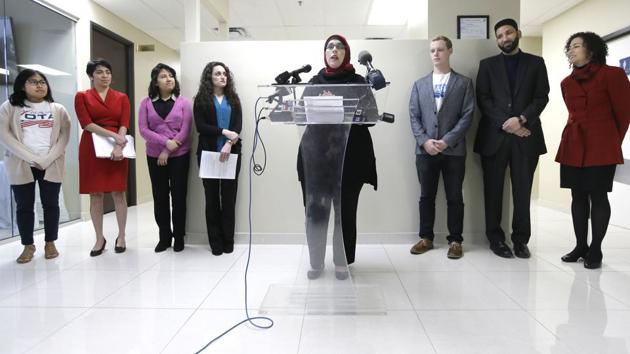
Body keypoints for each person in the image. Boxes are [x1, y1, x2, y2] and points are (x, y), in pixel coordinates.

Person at [297, 34, 378, 280]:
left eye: (340, 47)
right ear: (325, 53)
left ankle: (342, 261)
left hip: (350, 159)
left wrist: (340, 105)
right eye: (330, 47)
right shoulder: (314, 81)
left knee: (345, 213)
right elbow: (301, 114)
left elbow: (372, 115)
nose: (334, 50)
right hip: (316, 159)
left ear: (346, 53)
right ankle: (316, 263)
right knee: (316, 212)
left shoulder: (358, 81)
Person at [474, 18, 549, 259]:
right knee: (493, 191)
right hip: (494, 138)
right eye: (499, 36)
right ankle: (495, 239)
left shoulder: (536, 63)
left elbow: (541, 97)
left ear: (518, 33)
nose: (504, 38)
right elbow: (483, 99)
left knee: (522, 192)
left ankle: (520, 240)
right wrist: (510, 124)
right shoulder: (486, 65)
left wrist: (522, 120)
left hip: (527, 138)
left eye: (508, 33)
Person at [556, 32, 630, 269]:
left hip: (602, 145)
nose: (571, 50)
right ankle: (580, 246)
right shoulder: (566, 83)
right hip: (573, 144)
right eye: (570, 47)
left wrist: (611, 142)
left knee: (598, 196)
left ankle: (596, 248)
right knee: (577, 196)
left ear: (592, 49)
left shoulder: (613, 74)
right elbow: (572, 112)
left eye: (576, 46)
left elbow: (624, 114)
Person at [408, 35, 474, 259]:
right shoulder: (419, 85)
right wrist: (425, 141)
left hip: (453, 151)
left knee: (454, 196)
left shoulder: (464, 83)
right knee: (426, 196)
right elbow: (414, 116)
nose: (436, 54)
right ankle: (426, 237)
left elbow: (467, 116)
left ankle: (455, 240)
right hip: (425, 151)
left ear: (450, 51)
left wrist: (446, 141)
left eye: (440, 49)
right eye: (432, 50)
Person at [0, 69, 70, 263]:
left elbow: (65, 136)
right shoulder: (10, 107)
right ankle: (27, 245)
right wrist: (31, 157)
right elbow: (4, 135)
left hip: (51, 163)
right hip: (21, 164)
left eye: (42, 82)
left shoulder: (57, 108)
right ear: (23, 86)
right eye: (33, 82)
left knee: (51, 204)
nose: (40, 85)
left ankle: (50, 243)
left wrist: (48, 158)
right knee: (24, 206)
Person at [75, 58, 131, 256]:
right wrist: (114, 135)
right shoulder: (82, 96)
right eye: (99, 72)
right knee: (95, 193)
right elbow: (86, 123)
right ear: (91, 76)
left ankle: (122, 235)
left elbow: (124, 122)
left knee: (118, 192)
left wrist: (118, 143)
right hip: (92, 146)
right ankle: (99, 238)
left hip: (117, 146)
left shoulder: (122, 97)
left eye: (107, 72)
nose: (104, 75)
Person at [139, 63, 192, 253]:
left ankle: (179, 237)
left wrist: (168, 150)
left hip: (179, 155)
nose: (169, 79)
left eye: (171, 75)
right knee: (160, 197)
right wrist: (163, 143)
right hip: (154, 156)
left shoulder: (183, 103)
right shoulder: (146, 103)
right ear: (155, 81)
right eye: (163, 76)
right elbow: (143, 130)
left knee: (178, 197)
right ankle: (164, 237)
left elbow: (185, 131)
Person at [193, 62, 242, 256]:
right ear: (209, 77)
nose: (222, 77)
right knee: (211, 199)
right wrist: (223, 132)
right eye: (217, 74)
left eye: (225, 74)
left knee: (229, 199)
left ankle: (228, 239)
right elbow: (200, 126)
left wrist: (229, 143)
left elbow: (238, 126)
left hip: (232, 152)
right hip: (208, 153)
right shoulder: (201, 99)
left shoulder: (234, 98)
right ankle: (215, 241)